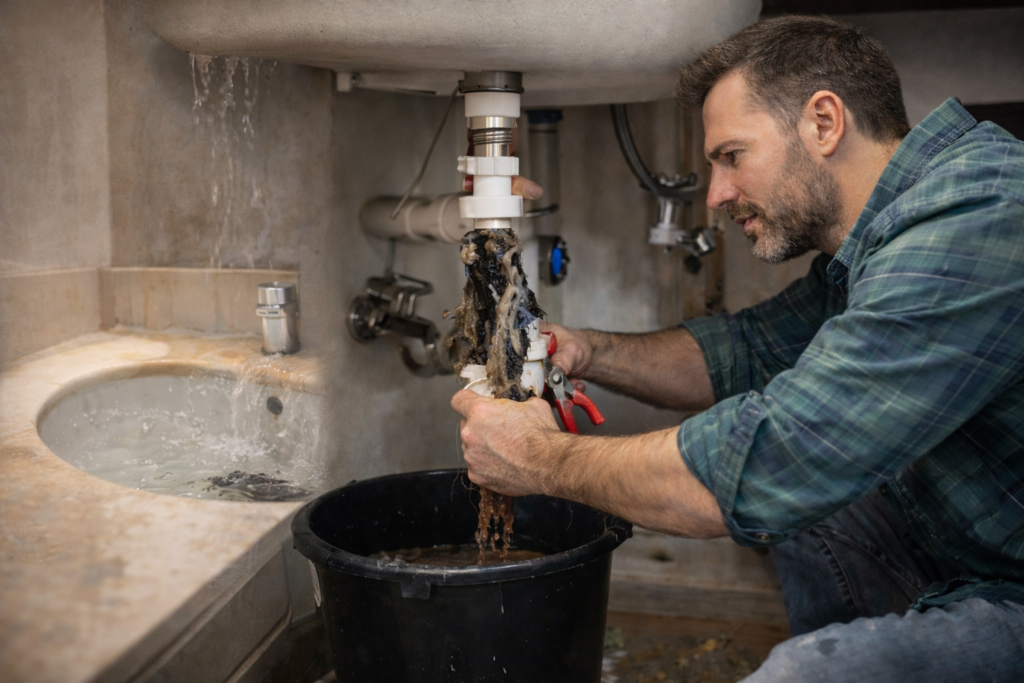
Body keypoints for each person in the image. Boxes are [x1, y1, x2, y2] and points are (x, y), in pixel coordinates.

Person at [451, 14, 1024, 682]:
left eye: (732, 156)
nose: (718, 193)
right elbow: (746, 351)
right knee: (813, 505)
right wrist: (586, 350)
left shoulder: (973, 221)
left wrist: (540, 458)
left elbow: (775, 458)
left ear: (823, 123)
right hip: (976, 560)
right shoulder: (890, 232)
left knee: (802, 673)